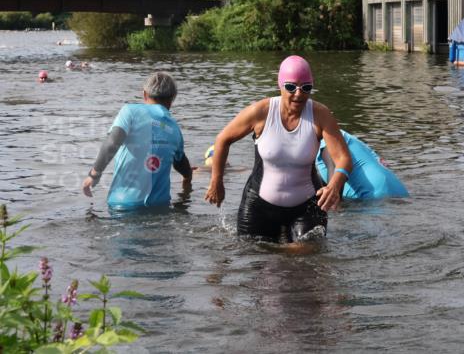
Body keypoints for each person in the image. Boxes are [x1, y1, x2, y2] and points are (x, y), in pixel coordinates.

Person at [205, 55, 352, 243]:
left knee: (305, 258)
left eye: (306, 88)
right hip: (259, 206)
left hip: (306, 206)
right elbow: (222, 139)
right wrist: (217, 180)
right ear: (280, 85)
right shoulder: (262, 111)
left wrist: (334, 185)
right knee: (254, 259)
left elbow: (343, 158)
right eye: (291, 87)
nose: (298, 94)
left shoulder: (320, 114)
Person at [82, 71, 193, 209]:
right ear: (172, 100)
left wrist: (94, 175)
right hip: (159, 208)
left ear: (145, 94)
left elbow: (112, 143)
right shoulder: (174, 127)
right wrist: (188, 178)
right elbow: (181, 164)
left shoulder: (130, 112)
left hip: (123, 205)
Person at [316, 130, 409, 200]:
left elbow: (336, 169)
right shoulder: (343, 136)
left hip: (374, 197)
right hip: (400, 193)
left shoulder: (328, 139)